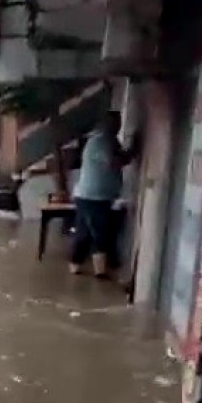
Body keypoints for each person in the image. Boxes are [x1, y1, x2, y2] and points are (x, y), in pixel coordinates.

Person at [70, 110, 138, 279]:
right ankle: (100, 272)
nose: (118, 126)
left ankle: (76, 267)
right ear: (105, 124)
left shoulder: (108, 141)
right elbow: (116, 162)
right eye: (115, 123)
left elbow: (119, 159)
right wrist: (134, 149)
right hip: (94, 197)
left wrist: (129, 151)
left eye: (118, 122)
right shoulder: (102, 141)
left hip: (91, 195)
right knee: (99, 233)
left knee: (85, 233)